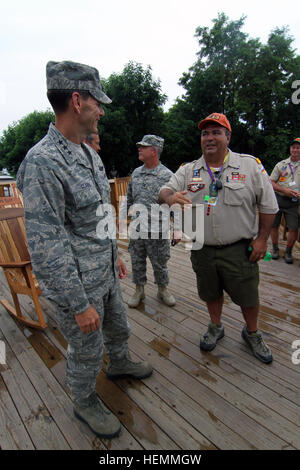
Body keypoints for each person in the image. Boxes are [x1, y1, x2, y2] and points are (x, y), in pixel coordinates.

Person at [16, 60, 152, 439]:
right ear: (77, 101)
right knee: (86, 351)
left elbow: (95, 216)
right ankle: (84, 400)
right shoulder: (44, 161)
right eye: (97, 101)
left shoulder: (88, 154)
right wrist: (78, 304)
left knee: (118, 328)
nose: (102, 110)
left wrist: (116, 255)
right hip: (79, 287)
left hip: (104, 272)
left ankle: (121, 362)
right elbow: (47, 246)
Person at [159, 112, 278, 364]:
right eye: (205, 133)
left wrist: (261, 239)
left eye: (216, 132)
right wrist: (169, 197)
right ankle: (216, 326)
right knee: (210, 292)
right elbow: (164, 189)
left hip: (239, 248)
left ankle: (252, 332)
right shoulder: (188, 170)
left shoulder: (250, 166)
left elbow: (269, 206)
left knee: (248, 295)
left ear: (228, 136)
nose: (209, 138)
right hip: (201, 247)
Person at [122, 135, 176, 308]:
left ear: (154, 151)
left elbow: (176, 205)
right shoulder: (136, 173)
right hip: (137, 228)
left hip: (158, 230)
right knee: (137, 261)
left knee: (160, 262)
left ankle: (163, 289)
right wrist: (121, 217)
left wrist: (179, 229)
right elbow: (128, 198)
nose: (139, 149)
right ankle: (139, 290)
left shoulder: (168, 176)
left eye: (143, 147)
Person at [270, 137, 300, 263]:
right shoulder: (281, 165)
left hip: (294, 203)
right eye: (293, 147)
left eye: (298, 148)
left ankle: (288, 252)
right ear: (290, 149)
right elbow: (270, 182)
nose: (296, 150)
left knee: (293, 228)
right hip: (278, 199)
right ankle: (275, 249)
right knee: (274, 225)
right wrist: (284, 190)